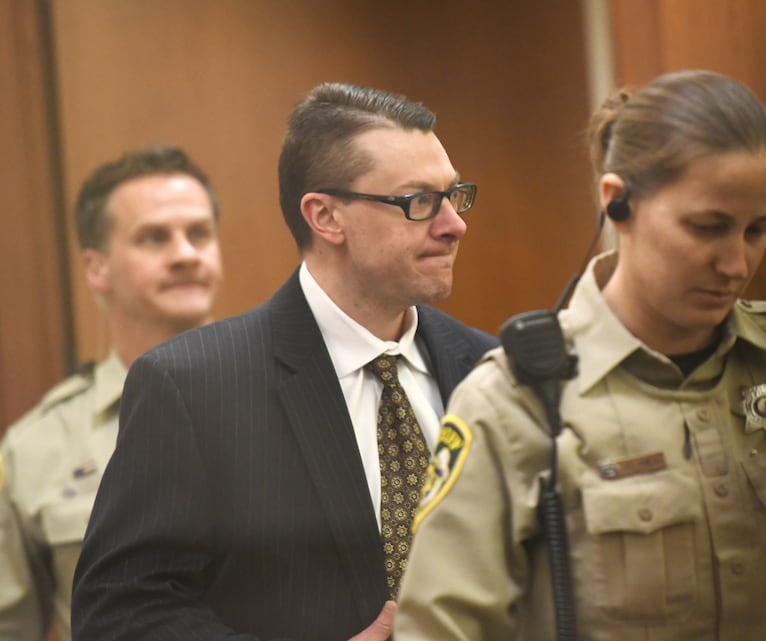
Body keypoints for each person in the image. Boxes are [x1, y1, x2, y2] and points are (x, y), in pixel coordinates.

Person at [71, 82, 497, 641]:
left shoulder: (490, 367)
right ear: (325, 217)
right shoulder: (192, 384)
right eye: (418, 202)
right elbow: (121, 611)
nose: (453, 225)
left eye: (454, 195)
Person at [394, 69, 766, 641]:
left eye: (757, 230)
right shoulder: (516, 402)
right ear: (617, 203)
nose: (736, 264)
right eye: (707, 228)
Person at [0, 145, 224, 641]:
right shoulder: (37, 447)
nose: (186, 254)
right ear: (96, 268)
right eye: (154, 238)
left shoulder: (302, 397)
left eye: (199, 234)